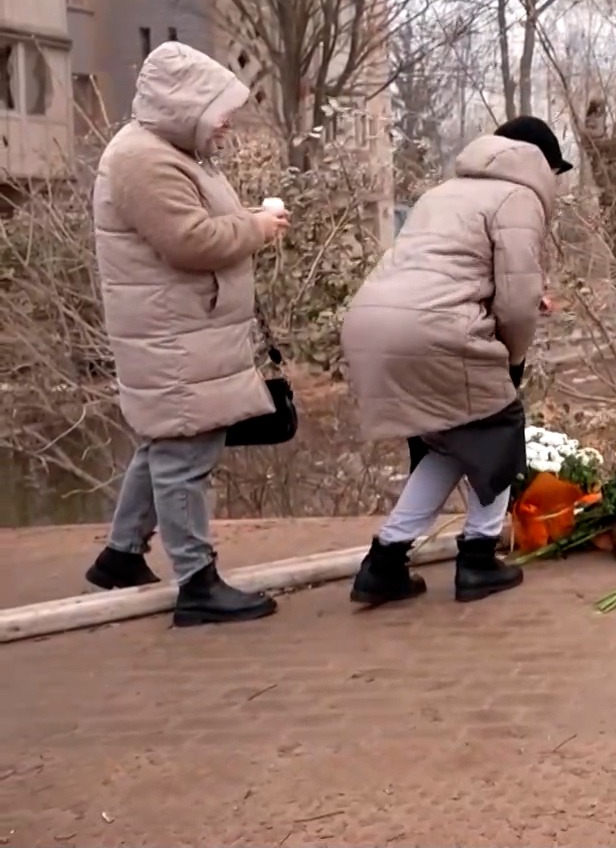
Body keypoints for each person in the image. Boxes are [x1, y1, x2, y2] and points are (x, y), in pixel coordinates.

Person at [83, 42, 291, 627]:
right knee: (184, 455)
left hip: (185, 328)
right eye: (219, 110)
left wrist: (249, 222)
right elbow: (190, 241)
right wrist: (256, 227)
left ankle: (121, 554)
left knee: (166, 443)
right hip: (172, 334)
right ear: (186, 104)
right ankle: (197, 582)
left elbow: (195, 225)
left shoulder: (172, 153)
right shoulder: (143, 160)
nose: (226, 123)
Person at [339, 116, 569, 606]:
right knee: (497, 431)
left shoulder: (443, 193)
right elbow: (516, 300)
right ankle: (479, 560)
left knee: (448, 442)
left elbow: (449, 271)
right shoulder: (519, 197)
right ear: (540, 163)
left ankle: (384, 562)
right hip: (436, 331)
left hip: (374, 324)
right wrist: (512, 358)